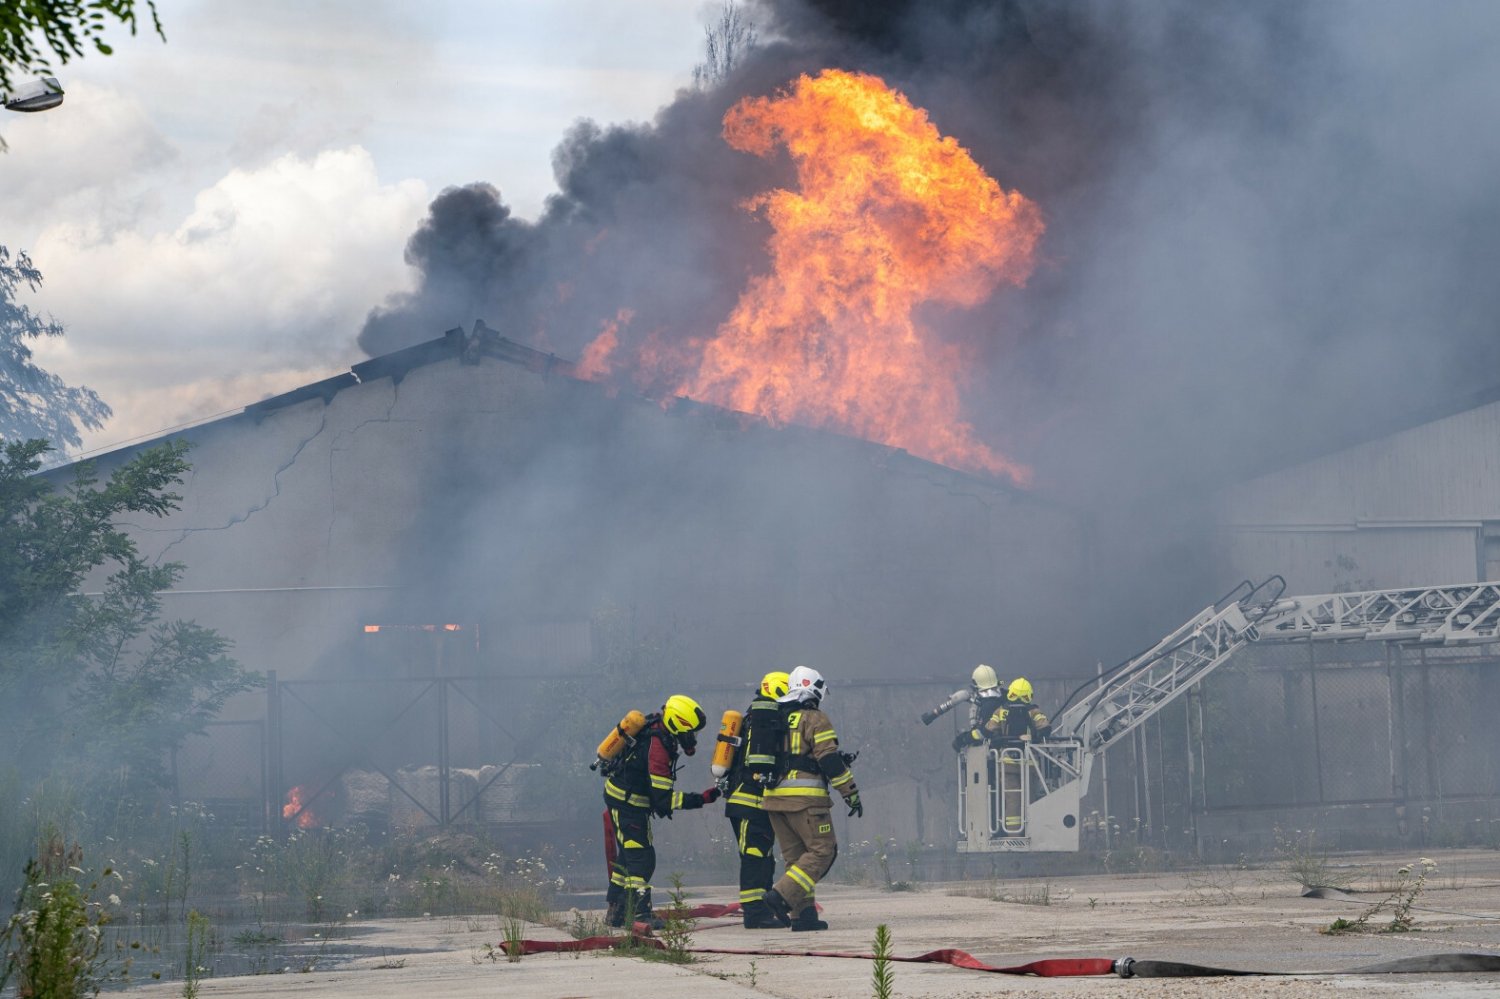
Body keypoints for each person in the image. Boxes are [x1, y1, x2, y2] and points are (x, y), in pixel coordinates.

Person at [601, 694, 719, 929]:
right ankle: (639, 914)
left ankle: (616, 911)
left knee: (628, 857)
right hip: (628, 805)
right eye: (691, 732)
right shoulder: (658, 749)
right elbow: (663, 800)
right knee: (642, 858)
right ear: (678, 724)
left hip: (624, 800)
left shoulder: (657, 731)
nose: (692, 738)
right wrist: (700, 799)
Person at [762, 666, 862, 931]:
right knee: (822, 850)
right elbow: (828, 759)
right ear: (815, 689)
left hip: (774, 801)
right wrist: (850, 793)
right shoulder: (814, 718)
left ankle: (803, 916)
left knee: (797, 858)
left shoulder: (776, 717)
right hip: (805, 801)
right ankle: (780, 896)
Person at [722, 670, 791, 929]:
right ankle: (754, 913)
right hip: (751, 802)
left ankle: (761, 908)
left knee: (762, 856)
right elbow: (761, 766)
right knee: (754, 857)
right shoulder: (765, 718)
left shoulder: (754, 717)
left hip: (747, 801)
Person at [935, 664, 1010, 751]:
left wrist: (963, 740)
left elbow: (982, 732)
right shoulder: (1005, 698)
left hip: (993, 754)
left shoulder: (988, 705)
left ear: (976, 683)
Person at [981, 677, 1052, 745]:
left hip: (1012, 752)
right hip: (1017, 753)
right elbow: (1045, 728)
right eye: (1015, 696)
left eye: (1024, 697)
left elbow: (988, 730)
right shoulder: (1033, 711)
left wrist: (1034, 737)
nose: (1018, 700)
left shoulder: (1000, 711)